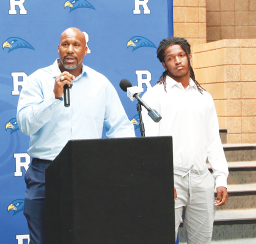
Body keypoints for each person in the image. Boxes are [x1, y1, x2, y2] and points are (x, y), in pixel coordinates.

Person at [16, 27, 135, 244]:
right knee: (42, 239)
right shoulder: (38, 80)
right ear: (58, 49)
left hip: (88, 173)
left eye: (76, 45)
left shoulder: (101, 84)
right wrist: (53, 96)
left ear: (86, 50)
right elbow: (25, 125)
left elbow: (121, 127)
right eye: (65, 44)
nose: (70, 50)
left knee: (86, 237)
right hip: (45, 172)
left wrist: (125, 166)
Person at [141, 37, 229, 243]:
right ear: (164, 64)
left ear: (189, 57)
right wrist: (162, 178)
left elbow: (213, 140)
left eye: (181, 55)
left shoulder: (204, 97)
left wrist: (221, 178)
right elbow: (151, 144)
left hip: (201, 179)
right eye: (170, 58)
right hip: (171, 179)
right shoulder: (154, 96)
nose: (177, 61)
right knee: (162, 237)